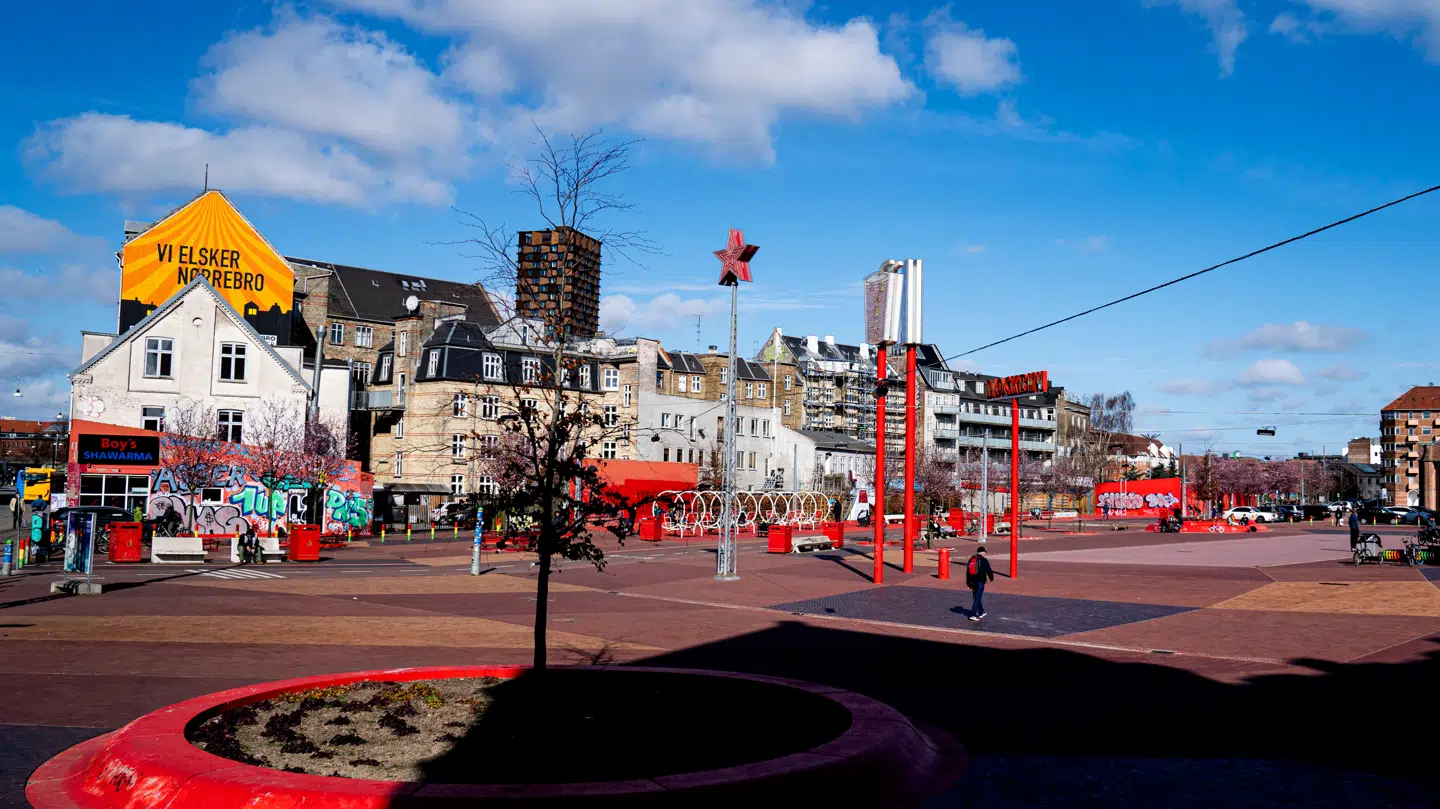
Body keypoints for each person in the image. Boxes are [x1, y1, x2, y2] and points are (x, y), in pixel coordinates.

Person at [965, 546, 994, 621]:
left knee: (977, 596)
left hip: (973, 581)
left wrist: (968, 583)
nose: (985, 553)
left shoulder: (971, 559)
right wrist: (991, 578)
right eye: (984, 552)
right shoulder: (984, 560)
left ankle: (981, 612)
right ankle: (973, 614)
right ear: (982, 552)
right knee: (977, 597)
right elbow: (989, 570)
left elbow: (968, 572)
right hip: (980, 581)